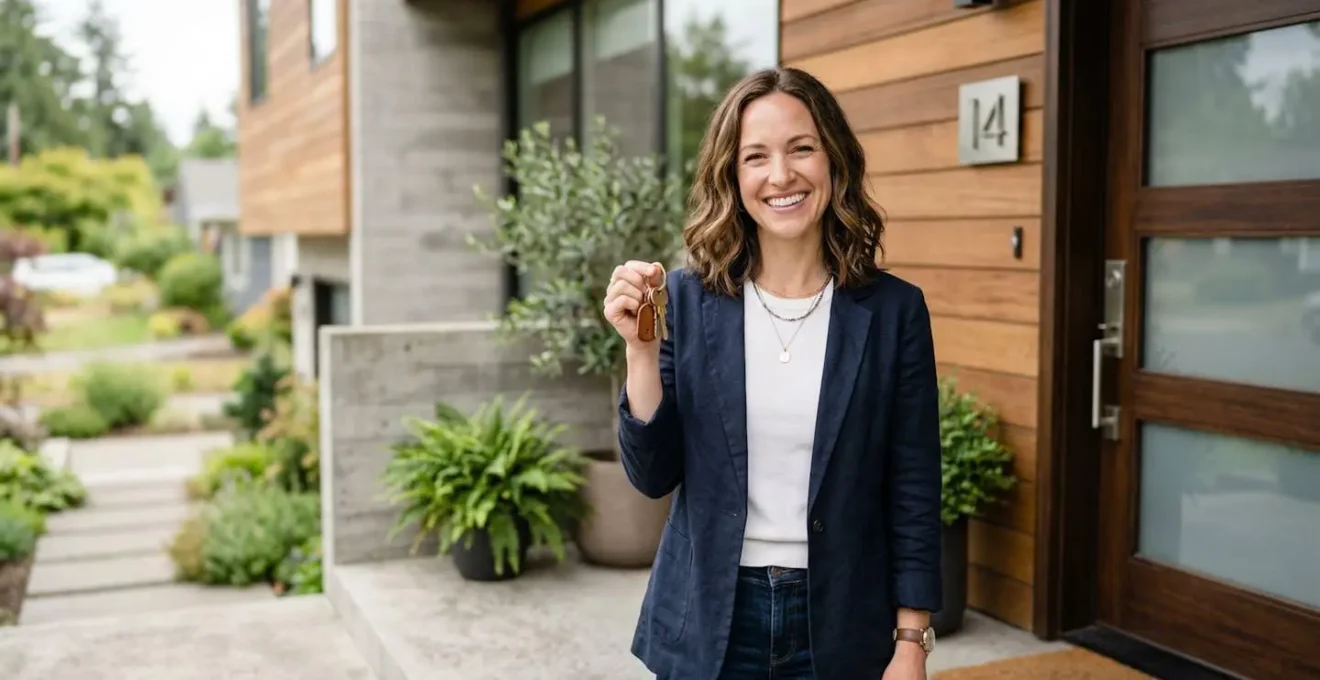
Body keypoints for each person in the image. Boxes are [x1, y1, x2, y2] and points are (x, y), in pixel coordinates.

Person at [602, 66, 942, 680]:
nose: (781, 175)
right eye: (755, 156)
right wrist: (640, 352)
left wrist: (911, 641)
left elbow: (913, 484)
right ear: (732, 176)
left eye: (801, 149)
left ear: (834, 158)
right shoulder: (686, 299)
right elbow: (652, 476)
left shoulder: (894, 311)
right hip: (710, 618)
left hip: (842, 622)